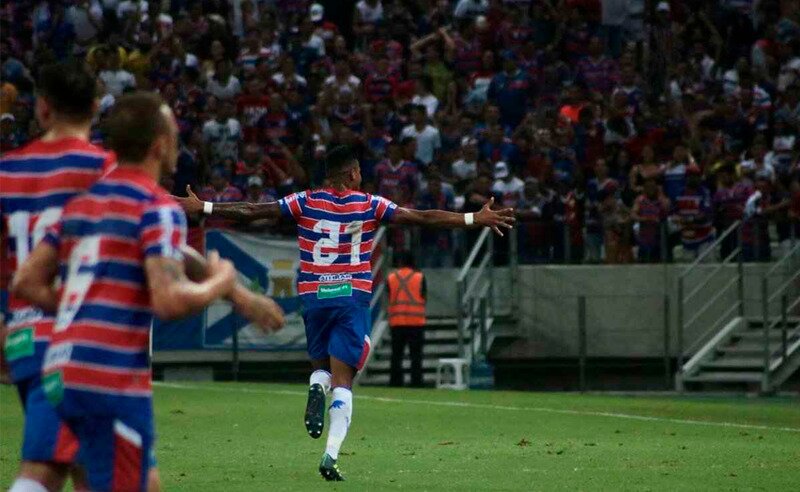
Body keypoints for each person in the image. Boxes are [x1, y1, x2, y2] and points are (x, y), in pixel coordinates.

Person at [174, 145, 514, 481]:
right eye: (360, 172)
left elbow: (252, 210)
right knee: (345, 379)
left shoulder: (304, 200)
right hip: (350, 295)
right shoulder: (369, 203)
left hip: (314, 297)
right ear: (351, 174)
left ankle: (315, 386)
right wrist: (473, 218)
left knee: (322, 370)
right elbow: (421, 217)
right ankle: (331, 455)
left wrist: (203, 205)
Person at [11, 92, 284, 492]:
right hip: (110, 375)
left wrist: (82, 316)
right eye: (174, 132)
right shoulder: (157, 207)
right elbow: (169, 301)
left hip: (59, 369)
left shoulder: (82, 205)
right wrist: (220, 284)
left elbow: (26, 282)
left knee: (87, 476)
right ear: (159, 144)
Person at [0, 61, 114, 492]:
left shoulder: (7, 171)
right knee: (46, 472)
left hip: (24, 338)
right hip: (81, 341)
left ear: (42, 109)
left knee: (88, 472)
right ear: (95, 108)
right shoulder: (102, 169)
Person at [386, 252, 426, 387]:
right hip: (416, 323)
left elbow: (389, 297)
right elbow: (424, 297)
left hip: (397, 322)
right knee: (416, 355)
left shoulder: (391, 277)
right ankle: (416, 382)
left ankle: (395, 381)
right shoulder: (419, 277)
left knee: (396, 355)